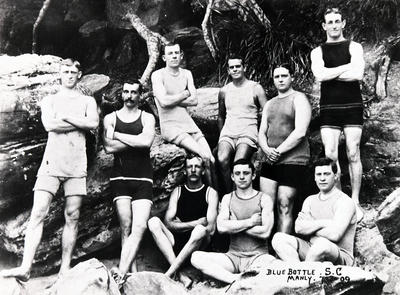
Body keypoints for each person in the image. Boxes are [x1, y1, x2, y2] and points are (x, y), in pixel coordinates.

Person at [0, 59, 99, 281]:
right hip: (51, 163)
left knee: (72, 215)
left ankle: (64, 269)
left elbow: (93, 123)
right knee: (38, 213)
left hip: (76, 163)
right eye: (66, 71)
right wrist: (78, 122)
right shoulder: (50, 100)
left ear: (79, 74)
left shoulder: (87, 100)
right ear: (60, 74)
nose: (70, 75)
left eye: (74, 71)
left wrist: (66, 118)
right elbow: (49, 125)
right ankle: (26, 267)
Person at [310, 7, 365, 222]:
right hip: (329, 107)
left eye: (337, 21)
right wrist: (346, 68)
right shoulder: (317, 51)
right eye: (329, 22)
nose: (333, 25)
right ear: (324, 26)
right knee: (331, 155)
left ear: (343, 24)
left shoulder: (354, 46)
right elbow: (320, 75)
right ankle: (340, 199)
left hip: (352, 105)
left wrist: (330, 74)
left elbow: (358, 75)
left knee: (353, 153)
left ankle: (355, 201)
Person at [103, 81, 156, 281]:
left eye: (134, 92)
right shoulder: (111, 117)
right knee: (125, 226)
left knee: (140, 226)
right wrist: (136, 140)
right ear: (121, 94)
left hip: (144, 177)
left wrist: (117, 135)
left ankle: (123, 270)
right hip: (121, 178)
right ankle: (130, 271)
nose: (129, 96)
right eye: (126, 91)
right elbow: (108, 148)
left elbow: (146, 142)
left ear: (140, 95)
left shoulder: (147, 117)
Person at [191, 159, 276, 284]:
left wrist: (234, 224)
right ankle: (235, 279)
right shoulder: (227, 198)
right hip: (232, 258)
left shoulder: (264, 198)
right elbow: (221, 227)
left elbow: (265, 232)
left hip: (258, 257)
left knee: (271, 262)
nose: (241, 177)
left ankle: (246, 277)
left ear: (253, 175)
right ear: (232, 176)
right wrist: (250, 222)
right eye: (237, 173)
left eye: (246, 173)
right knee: (196, 257)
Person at [147, 154, 219, 287]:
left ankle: (169, 274)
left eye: (197, 166)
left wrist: (180, 224)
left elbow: (210, 228)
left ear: (203, 171)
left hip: (198, 246)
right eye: (189, 166)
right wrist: (194, 222)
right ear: (185, 170)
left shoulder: (210, 193)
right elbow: (168, 223)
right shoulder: (178, 191)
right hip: (175, 243)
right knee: (154, 222)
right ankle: (179, 274)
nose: (193, 170)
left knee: (200, 230)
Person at [151, 43, 215, 187]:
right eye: (170, 53)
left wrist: (172, 98)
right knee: (203, 156)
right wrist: (185, 93)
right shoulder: (158, 75)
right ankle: (209, 198)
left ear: (181, 55)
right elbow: (164, 102)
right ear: (164, 57)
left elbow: (194, 100)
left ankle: (217, 197)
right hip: (171, 127)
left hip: (188, 123)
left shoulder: (187, 74)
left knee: (211, 159)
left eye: (176, 53)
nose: (174, 56)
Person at [271, 157, 356, 266]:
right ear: (315, 177)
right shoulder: (310, 200)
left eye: (326, 174)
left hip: (339, 255)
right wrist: (324, 223)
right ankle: (299, 271)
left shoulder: (344, 201)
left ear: (335, 176)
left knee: (321, 244)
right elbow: (298, 228)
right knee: (278, 238)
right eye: (319, 175)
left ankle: (304, 273)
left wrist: (310, 226)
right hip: (310, 249)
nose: (322, 178)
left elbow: (335, 235)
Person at [258, 64, 312, 234]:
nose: (280, 79)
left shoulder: (299, 99)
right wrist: (267, 150)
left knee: (284, 204)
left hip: (294, 159)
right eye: (277, 77)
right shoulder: (270, 104)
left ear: (292, 77)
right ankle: (265, 249)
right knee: (266, 205)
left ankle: (281, 248)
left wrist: (278, 151)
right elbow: (261, 132)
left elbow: (300, 132)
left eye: (284, 75)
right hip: (269, 160)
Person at [217, 56, 267, 194]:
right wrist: (221, 137)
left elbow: (268, 114)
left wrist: (263, 141)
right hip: (228, 132)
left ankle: (239, 196)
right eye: (232, 67)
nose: (235, 69)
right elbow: (221, 116)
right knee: (222, 159)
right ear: (228, 70)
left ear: (244, 68)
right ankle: (228, 196)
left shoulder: (255, 88)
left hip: (247, 132)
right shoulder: (224, 91)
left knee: (239, 163)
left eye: (238, 66)